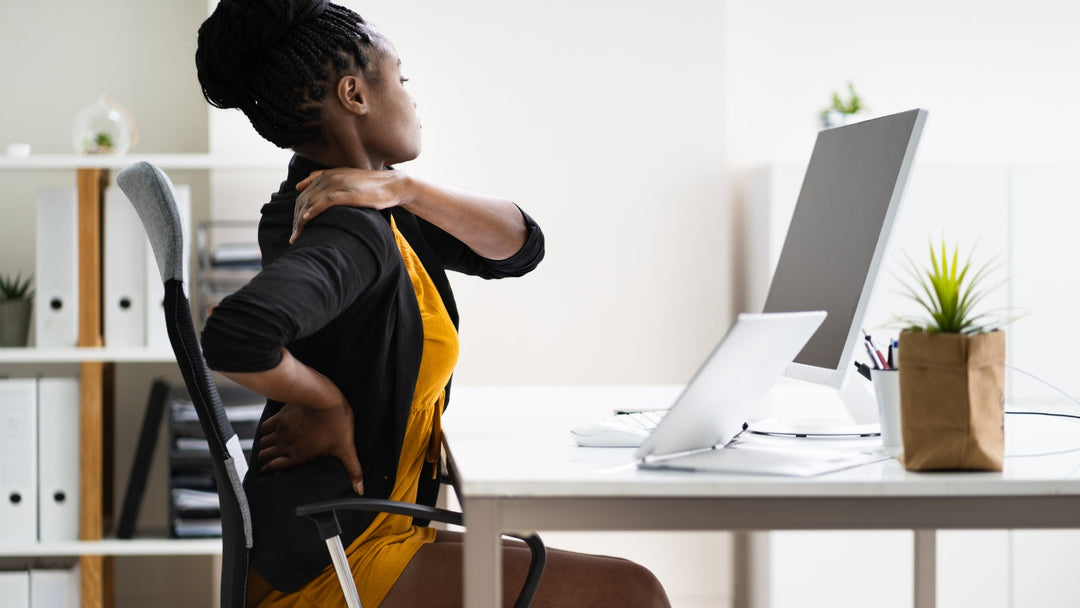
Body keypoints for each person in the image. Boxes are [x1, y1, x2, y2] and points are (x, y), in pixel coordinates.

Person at [195, 1, 671, 606]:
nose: (412, 98)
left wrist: (405, 187)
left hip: (367, 526)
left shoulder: (373, 206)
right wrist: (326, 402)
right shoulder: (348, 229)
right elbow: (236, 332)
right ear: (354, 94)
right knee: (633, 593)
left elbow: (519, 247)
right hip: (337, 557)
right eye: (401, 78)